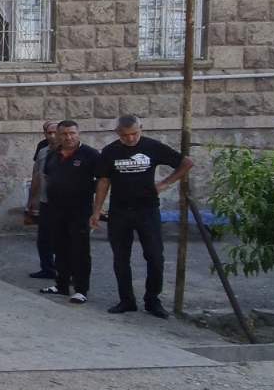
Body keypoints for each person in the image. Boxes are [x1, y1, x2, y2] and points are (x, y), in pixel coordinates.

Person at [91, 114, 194, 318]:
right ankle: (126, 300)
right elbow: (103, 181)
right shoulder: (110, 151)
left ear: (141, 129)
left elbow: (186, 163)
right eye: (125, 135)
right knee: (121, 257)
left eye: (134, 134)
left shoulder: (152, 146)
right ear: (118, 133)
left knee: (155, 256)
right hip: (119, 211)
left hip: (147, 210)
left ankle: (152, 300)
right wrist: (96, 210)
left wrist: (165, 183)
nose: (130, 138)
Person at [38, 121, 100, 305]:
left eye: (72, 133)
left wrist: (97, 209)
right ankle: (62, 284)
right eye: (64, 134)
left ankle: (81, 289)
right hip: (56, 209)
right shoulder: (53, 155)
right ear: (58, 135)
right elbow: (47, 177)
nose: (68, 137)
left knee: (80, 250)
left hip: (80, 211)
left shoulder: (90, 154)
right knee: (60, 248)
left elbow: (102, 181)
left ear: (78, 133)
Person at [28, 120, 61, 279]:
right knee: (43, 238)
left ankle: (66, 272)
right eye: (49, 133)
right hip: (45, 200)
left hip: (64, 203)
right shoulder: (42, 151)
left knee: (62, 239)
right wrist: (31, 201)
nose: (53, 136)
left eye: (56, 132)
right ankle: (47, 268)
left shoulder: (73, 152)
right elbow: (36, 175)